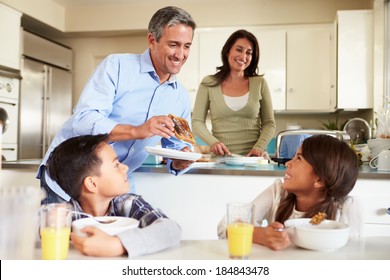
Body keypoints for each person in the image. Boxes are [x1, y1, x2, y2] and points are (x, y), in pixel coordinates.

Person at [38, 6, 197, 204]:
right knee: (64, 235)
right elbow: (84, 119)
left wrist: (182, 159)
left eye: (187, 46)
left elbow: (178, 146)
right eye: (174, 44)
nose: (180, 54)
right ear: (152, 40)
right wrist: (136, 131)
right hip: (71, 174)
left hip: (116, 183)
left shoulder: (180, 97)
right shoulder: (116, 66)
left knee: (126, 232)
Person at [217, 135, 364, 250]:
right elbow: (225, 227)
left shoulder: (347, 208)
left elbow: (353, 256)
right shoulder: (278, 193)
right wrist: (258, 235)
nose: (288, 163)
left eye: (298, 158)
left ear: (319, 180)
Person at [46, 134, 181, 258]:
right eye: (116, 165)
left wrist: (117, 245)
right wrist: (48, 224)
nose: (125, 168)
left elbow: (171, 230)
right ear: (92, 183)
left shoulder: (129, 204)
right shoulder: (64, 214)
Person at [192, 29, 276, 157]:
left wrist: (259, 148)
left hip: (254, 161)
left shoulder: (260, 83)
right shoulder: (209, 83)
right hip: (221, 161)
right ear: (228, 51)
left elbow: (269, 123)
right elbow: (197, 122)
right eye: (239, 49)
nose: (243, 57)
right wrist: (213, 143)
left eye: (249, 52)